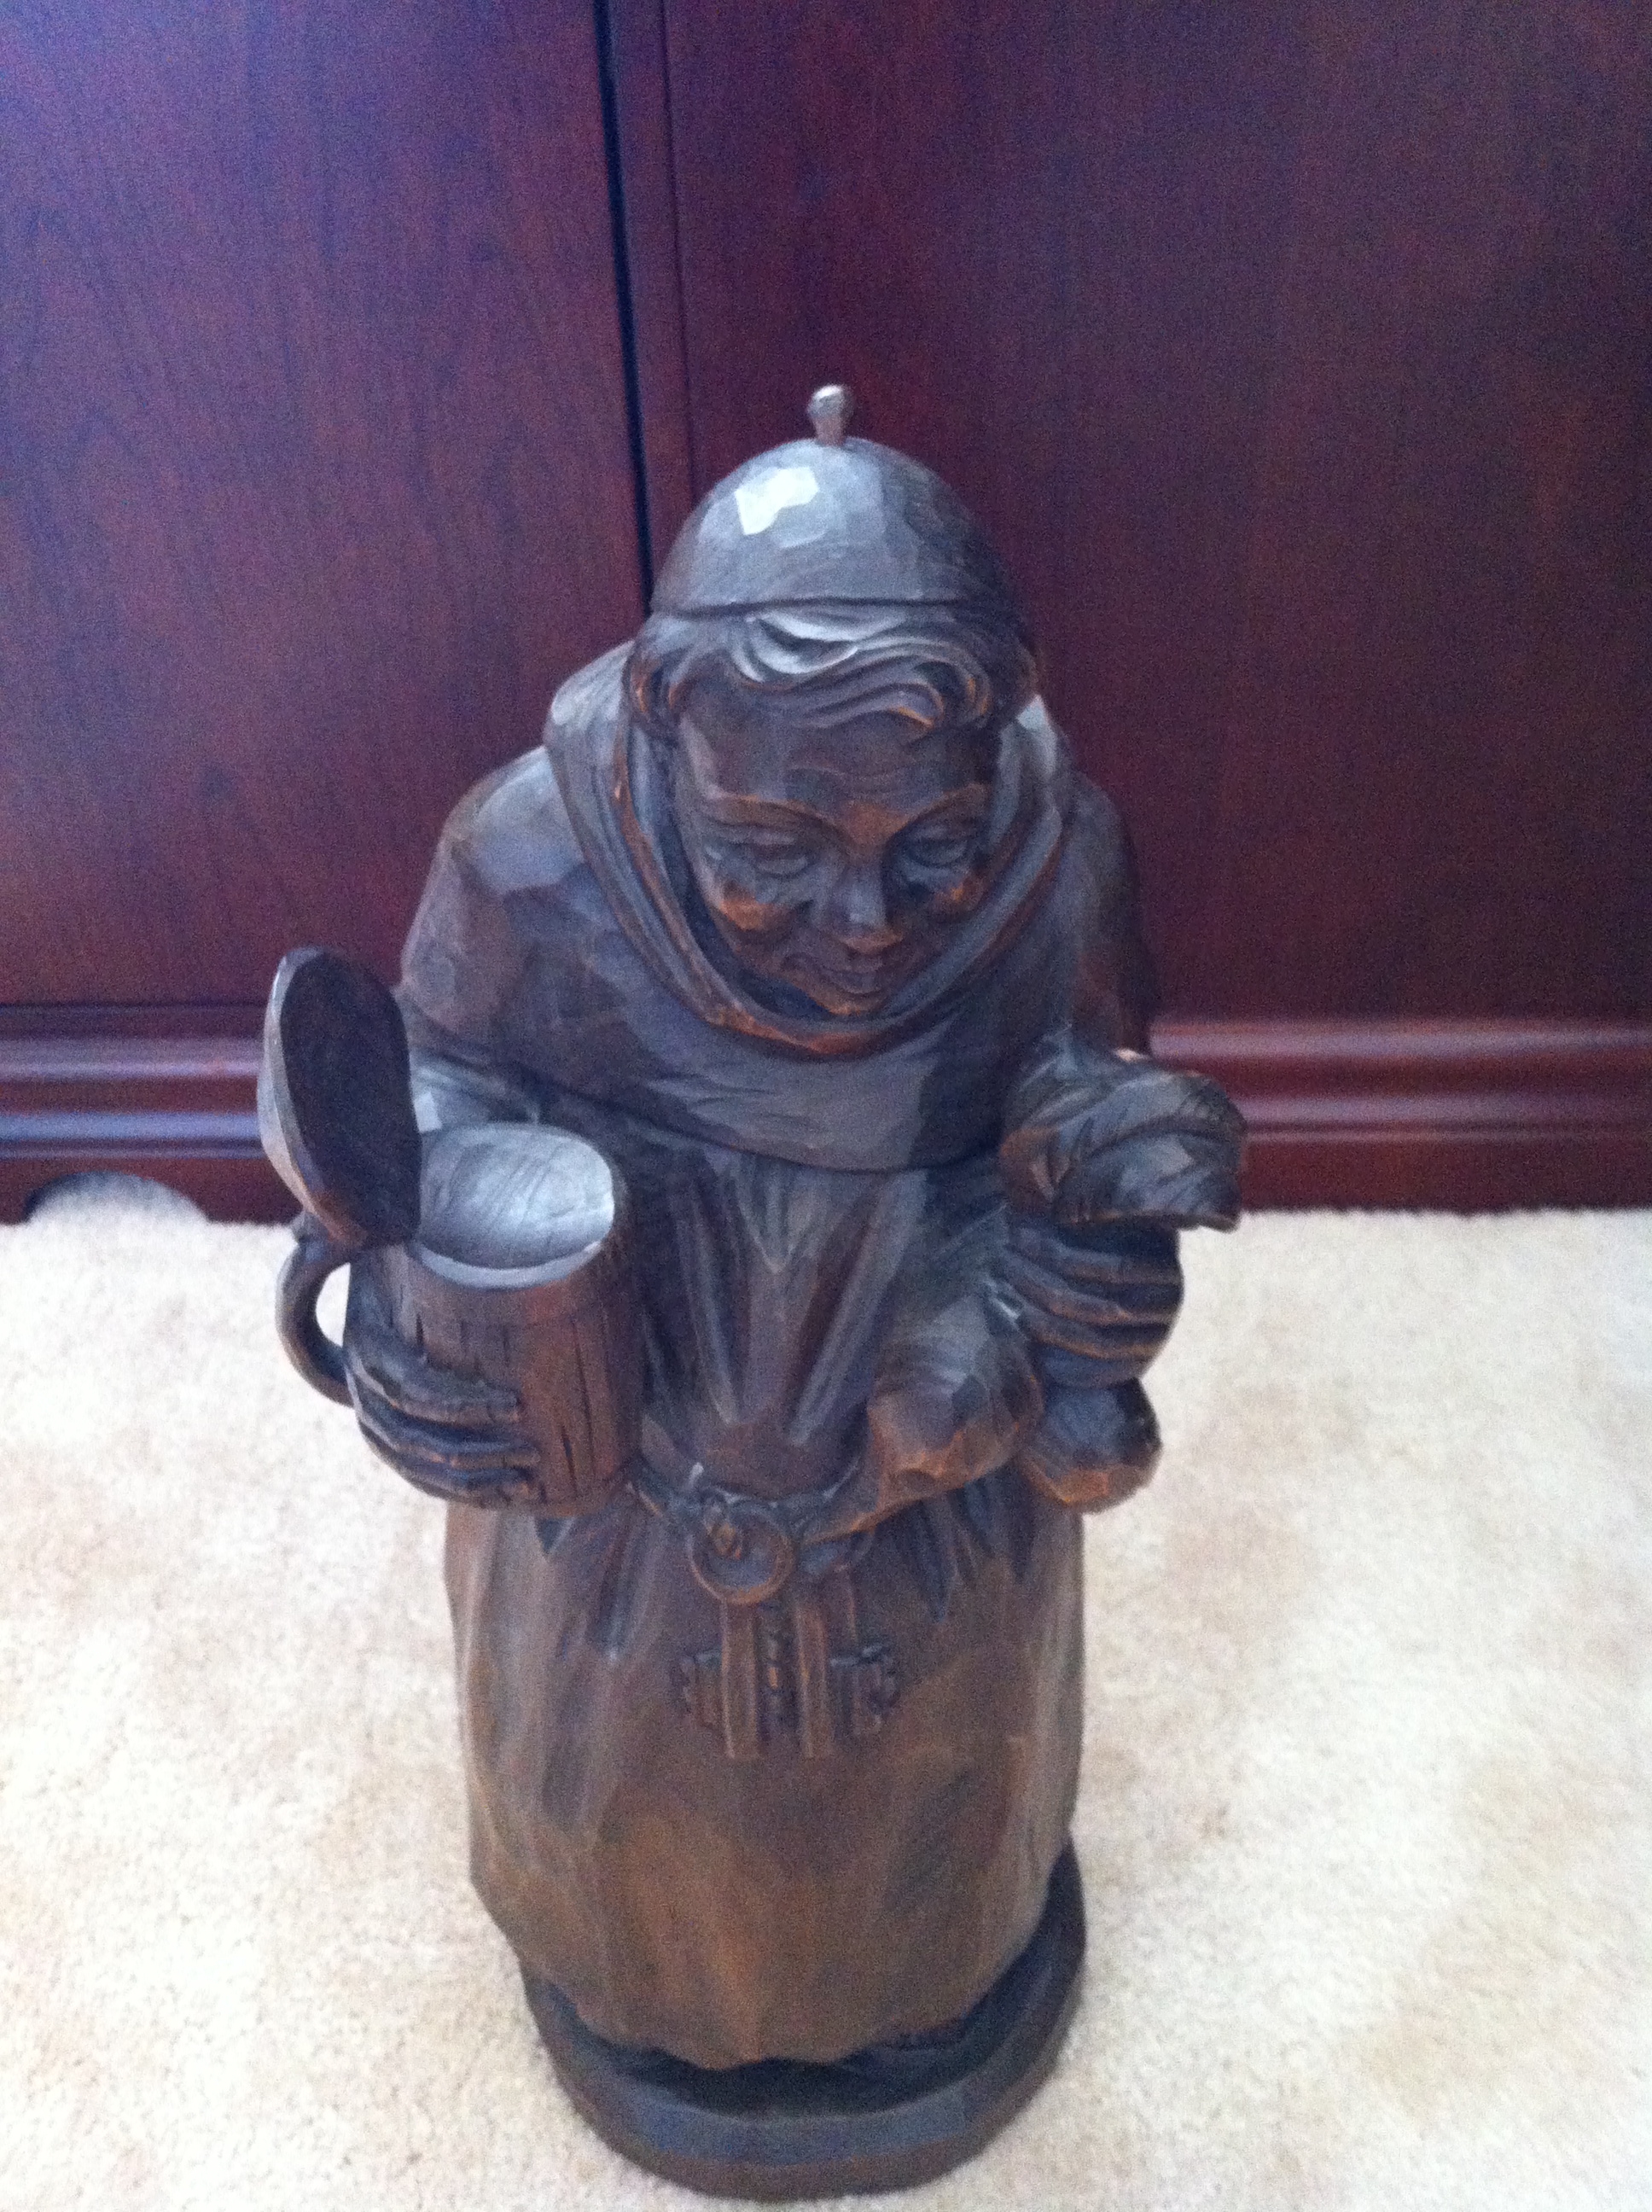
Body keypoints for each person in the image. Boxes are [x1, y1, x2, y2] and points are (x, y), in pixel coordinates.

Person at [339, 393, 1242, 2075]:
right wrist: (403, 1286)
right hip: (624, 1456)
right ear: (669, 728)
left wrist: (1083, 1280)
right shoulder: (528, 857)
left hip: (923, 1468)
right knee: (611, 1820)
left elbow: (1087, 1125)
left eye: (932, 845)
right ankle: (613, 1965)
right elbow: (423, 1082)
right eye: (771, 848)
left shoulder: (1062, 866)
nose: (864, 921)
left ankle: (936, 1976)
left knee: (932, 1819)